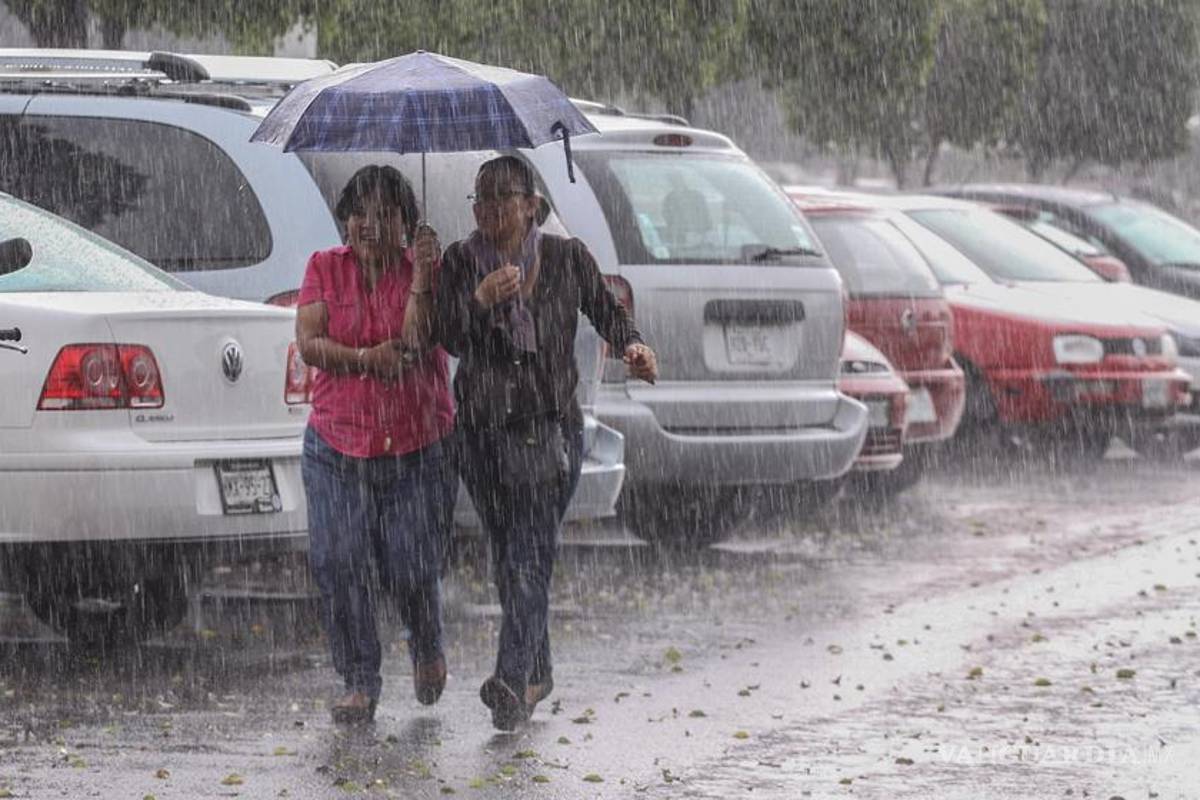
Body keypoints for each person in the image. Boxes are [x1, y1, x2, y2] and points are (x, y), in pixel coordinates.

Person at [435, 155, 658, 731]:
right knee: (509, 561)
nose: (491, 211)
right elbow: (448, 339)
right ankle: (539, 672)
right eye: (481, 200)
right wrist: (480, 298)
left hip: (548, 428)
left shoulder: (565, 257)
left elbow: (610, 314)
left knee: (530, 557)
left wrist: (634, 347)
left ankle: (511, 678)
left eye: (504, 198)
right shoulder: (461, 262)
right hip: (481, 434)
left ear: (532, 204)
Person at [296, 165, 455, 724]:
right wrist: (365, 360)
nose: (371, 224)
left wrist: (421, 281)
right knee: (339, 563)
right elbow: (310, 345)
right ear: (344, 222)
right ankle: (359, 678)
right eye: (360, 212)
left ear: (407, 224)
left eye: (387, 213)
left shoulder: (425, 272)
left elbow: (415, 341)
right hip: (336, 445)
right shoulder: (323, 268)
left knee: (411, 565)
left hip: (416, 444)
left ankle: (427, 642)